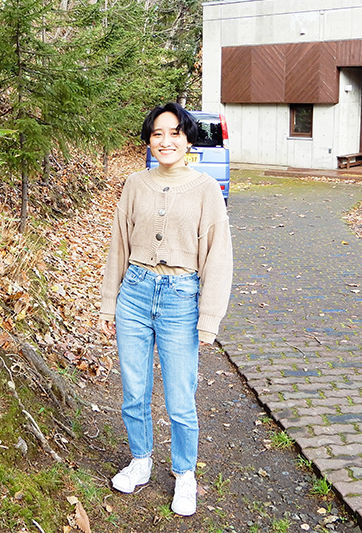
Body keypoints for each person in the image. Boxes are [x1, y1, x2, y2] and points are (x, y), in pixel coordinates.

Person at [99, 103, 233, 517]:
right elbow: (118, 244)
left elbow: (218, 256)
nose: (166, 141)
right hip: (135, 293)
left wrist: (209, 318)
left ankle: (185, 475)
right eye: (158, 133)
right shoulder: (135, 184)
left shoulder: (206, 188)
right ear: (149, 140)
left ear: (187, 139)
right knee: (134, 389)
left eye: (174, 133)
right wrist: (108, 305)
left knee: (180, 397)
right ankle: (141, 461)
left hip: (180, 298)